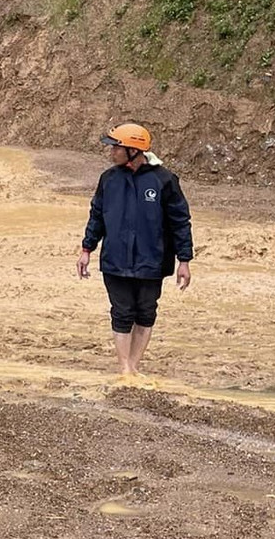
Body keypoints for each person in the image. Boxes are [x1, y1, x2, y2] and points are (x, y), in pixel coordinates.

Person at [77, 123, 194, 377]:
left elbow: (180, 222)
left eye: (116, 148)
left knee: (145, 313)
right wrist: (87, 249)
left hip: (152, 261)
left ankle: (134, 365)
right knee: (121, 313)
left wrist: (184, 260)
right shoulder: (108, 179)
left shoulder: (165, 180)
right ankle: (125, 369)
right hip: (115, 260)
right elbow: (96, 215)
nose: (112, 152)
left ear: (133, 150)